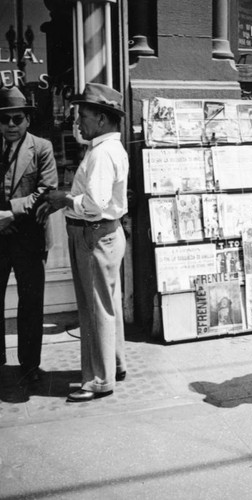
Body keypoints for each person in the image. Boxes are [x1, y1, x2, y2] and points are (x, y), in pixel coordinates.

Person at [39, 83, 128, 403]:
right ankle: (113, 364)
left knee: (94, 309)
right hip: (106, 234)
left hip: (93, 235)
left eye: (84, 116)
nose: (78, 122)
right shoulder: (107, 148)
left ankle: (99, 379)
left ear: (102, 119)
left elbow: (94, 203)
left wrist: (64, 199)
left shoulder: (103, 154)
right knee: (108, 304)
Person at [0, 86, 58, 383]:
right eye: (5, 119)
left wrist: (10, 212)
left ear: (27, 120)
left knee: (31, 302)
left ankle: (30, 365)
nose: (11, 125)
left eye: (17, 119)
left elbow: (46, 190)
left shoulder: (42, 147)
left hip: (29, 237)